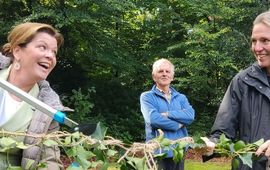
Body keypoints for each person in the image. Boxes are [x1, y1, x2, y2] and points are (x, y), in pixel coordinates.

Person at [203, 10, 270, 170]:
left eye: (265, 40)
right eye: (254, 41)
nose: (257, 48)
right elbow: (223, 132)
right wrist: (212, 144)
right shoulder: (242, 81)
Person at [0, 22, 69, 169]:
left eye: (54, 52)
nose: (50, 56)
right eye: (42, 47)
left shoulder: (48, 108)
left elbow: (49, 160)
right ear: (17, 51)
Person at [140, 58, 195, 170]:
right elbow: (153, 119)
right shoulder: (147, 97)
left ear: (172, 76)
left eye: (167, 71)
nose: (164, 74)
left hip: (178, 151)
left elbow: (190, 116)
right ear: (154, 76)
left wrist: (167, 114)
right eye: (160, 71)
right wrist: (178, 125)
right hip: (158, 151)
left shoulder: (181, 98)